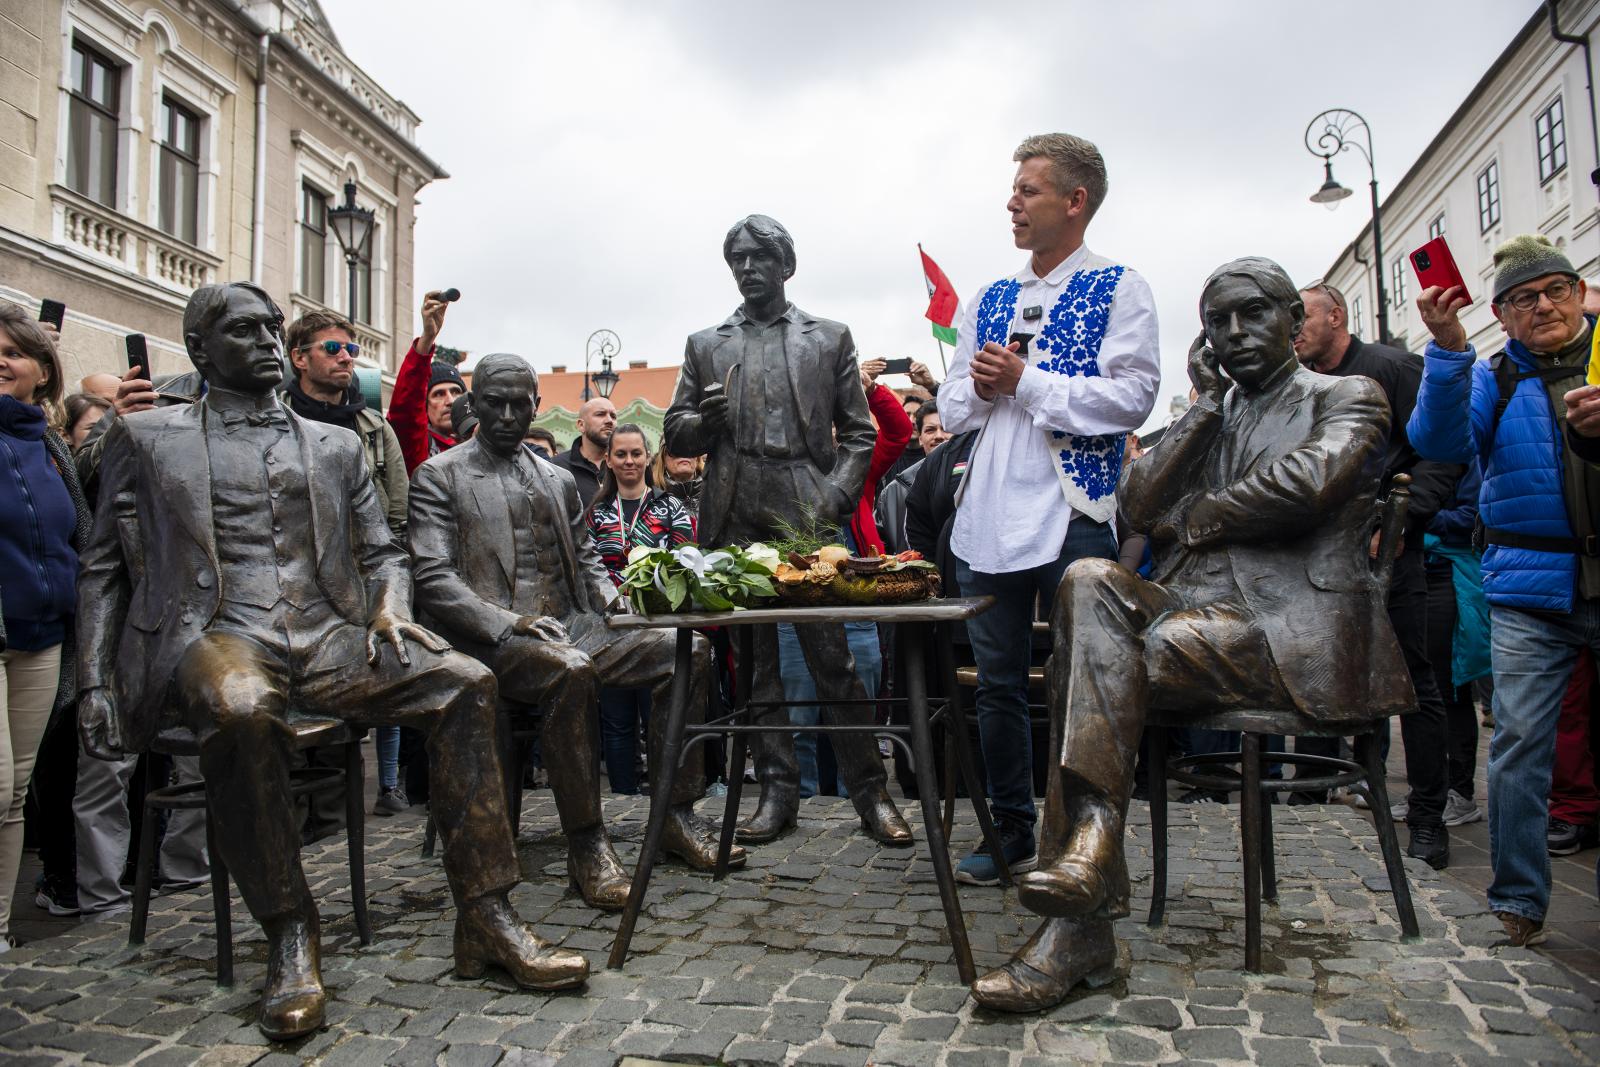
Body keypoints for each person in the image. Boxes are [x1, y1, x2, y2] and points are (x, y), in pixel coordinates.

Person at [77, 285, 588, 1038]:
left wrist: (389, 606)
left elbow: (385, 550)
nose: (262, 341)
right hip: (217, 633)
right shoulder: (149, 437)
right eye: (242, 330)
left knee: (466, 681)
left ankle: (487, 912)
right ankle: (290, 930)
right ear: (199, 350)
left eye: (269, 329)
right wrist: (93, 680)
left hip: (326, 633)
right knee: (241, 704)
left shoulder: (339, 442)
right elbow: (102, 568)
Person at [972, 256, 1408, 1012]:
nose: (1234, 333)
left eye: (1252, 315)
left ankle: (1079, 916)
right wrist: (1205, 406)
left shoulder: (1348, 395)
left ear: (1294, 322)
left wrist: (1199, 517)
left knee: (1102, 663)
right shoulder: (1214, 412)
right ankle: (1090, 850)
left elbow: (1307, 483)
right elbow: (1136, 501)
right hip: (1195, 617)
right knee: (1087, 583)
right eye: (1218, 321)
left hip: (1289, 631)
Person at [409, 355, 739, 905]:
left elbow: (585, 558)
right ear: (477, 402)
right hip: (494, 637)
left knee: (688, 650)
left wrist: (617, 606)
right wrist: (509, 622)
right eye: (497, 402)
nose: (510, 414)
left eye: (522, 404)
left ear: (536, 406)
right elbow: (434, 577)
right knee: (570, 671)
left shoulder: (558, 479)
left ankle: (675, 815)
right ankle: (587, 843)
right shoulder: (439, 476)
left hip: (572, 624)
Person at [939, 133, 1161, 886]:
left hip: (1074, 507)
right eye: (1013, 190)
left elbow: (1134, 396)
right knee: (997, 680)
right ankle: (1008, 827)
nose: (1012, 202)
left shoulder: (1119, 286)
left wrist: (1029, 381)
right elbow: (951, 404)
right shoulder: (990, 297)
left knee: (1082, 680)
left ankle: (1077, 835)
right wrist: (983, 385)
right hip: (991, 511)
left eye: (1028, 190)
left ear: (1076, 201)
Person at [664, 213, 912, 847]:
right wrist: (702, 422)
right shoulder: (704, 342)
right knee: (755, 661)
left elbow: (860, 433)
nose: (747, 269)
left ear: (785, 266)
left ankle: (871, 793)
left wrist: (833, 494)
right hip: (734, 501)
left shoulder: (827, 338)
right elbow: (677, 434)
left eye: (758, 258)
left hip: (804, 501)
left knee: (831, 655)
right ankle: (778, 790)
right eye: (737, 260)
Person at [1409, 234, 1600, 946]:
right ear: (1504, 313)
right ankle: (1518, 896)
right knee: (1519, 742)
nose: (1543, 305)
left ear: (1579, 293)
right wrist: (1449, 348)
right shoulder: (1494, 375)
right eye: (1525, 298)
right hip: (1528, 586)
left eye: (1555, 290)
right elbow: (1440, 439)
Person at [1293, 280, 1460, 867]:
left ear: (1335, 316)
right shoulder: (1298, 384)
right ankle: (1310, 795)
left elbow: (1442, 453)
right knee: (1312, 670)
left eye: (1302, 318)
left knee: (1413, 685)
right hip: (1316, 559)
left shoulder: (1393, 368)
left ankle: (1426, 817)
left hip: (1387, 555)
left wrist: (1403, 518)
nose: (1293, 332)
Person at [283, 309, 412, 819]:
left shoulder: (373, 428)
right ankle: (294, 818)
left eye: (351, 351)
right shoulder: (277, 419)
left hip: (355, 582)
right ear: (299, 357)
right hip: (294, 580)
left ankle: (337, 820)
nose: (346, 359)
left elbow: (397, 512)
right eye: (333, 349)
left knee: (348, 701)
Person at [0, 303, 90, 952]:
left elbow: (78, 525)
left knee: (14, 795)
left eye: (14, 350)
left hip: (42, 635)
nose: (2, 360)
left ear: (42, 370)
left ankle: (0, 929)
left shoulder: (48, 442)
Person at [585, 424, 696, 794]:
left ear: (647, 457)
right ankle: (621, 798)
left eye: (635, 453)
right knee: (617, 722)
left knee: (658, 717)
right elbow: (586, 567)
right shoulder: (596, 513)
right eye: (621, 454)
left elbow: (686, 560)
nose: (629, 461)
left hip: (659, 628)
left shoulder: (670, 505)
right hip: (612, 629)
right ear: (609, 460)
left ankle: (665, 797)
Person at [388, 290, 463, 475]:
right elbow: (406, 407)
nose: (450, 401)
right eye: (439, 394)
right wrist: (427, 338)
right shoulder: (419, 447)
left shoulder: (481, 444)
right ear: (425, 406)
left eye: (456, 392)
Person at [551, 397, 617, 506]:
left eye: (613, 416)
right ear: (581, 425)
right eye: (600, 414)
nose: (609, 420)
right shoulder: (557, 467)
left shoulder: (624, 465)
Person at [650, 445, 705, 514]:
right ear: (663, 460)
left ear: (697, 459)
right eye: (674, 449)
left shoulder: (715, 492)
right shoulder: (650, 499)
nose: (683, 454)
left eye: (690, 449)